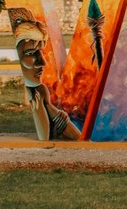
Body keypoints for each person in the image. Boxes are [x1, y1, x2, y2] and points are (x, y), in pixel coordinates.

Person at [9, 8, 81, 141]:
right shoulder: (37, 93)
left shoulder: (41, 90)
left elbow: (49, 137)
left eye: (40, 52)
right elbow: (44, 137)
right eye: (31, 54)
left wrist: (47, 106)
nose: (42, 62)